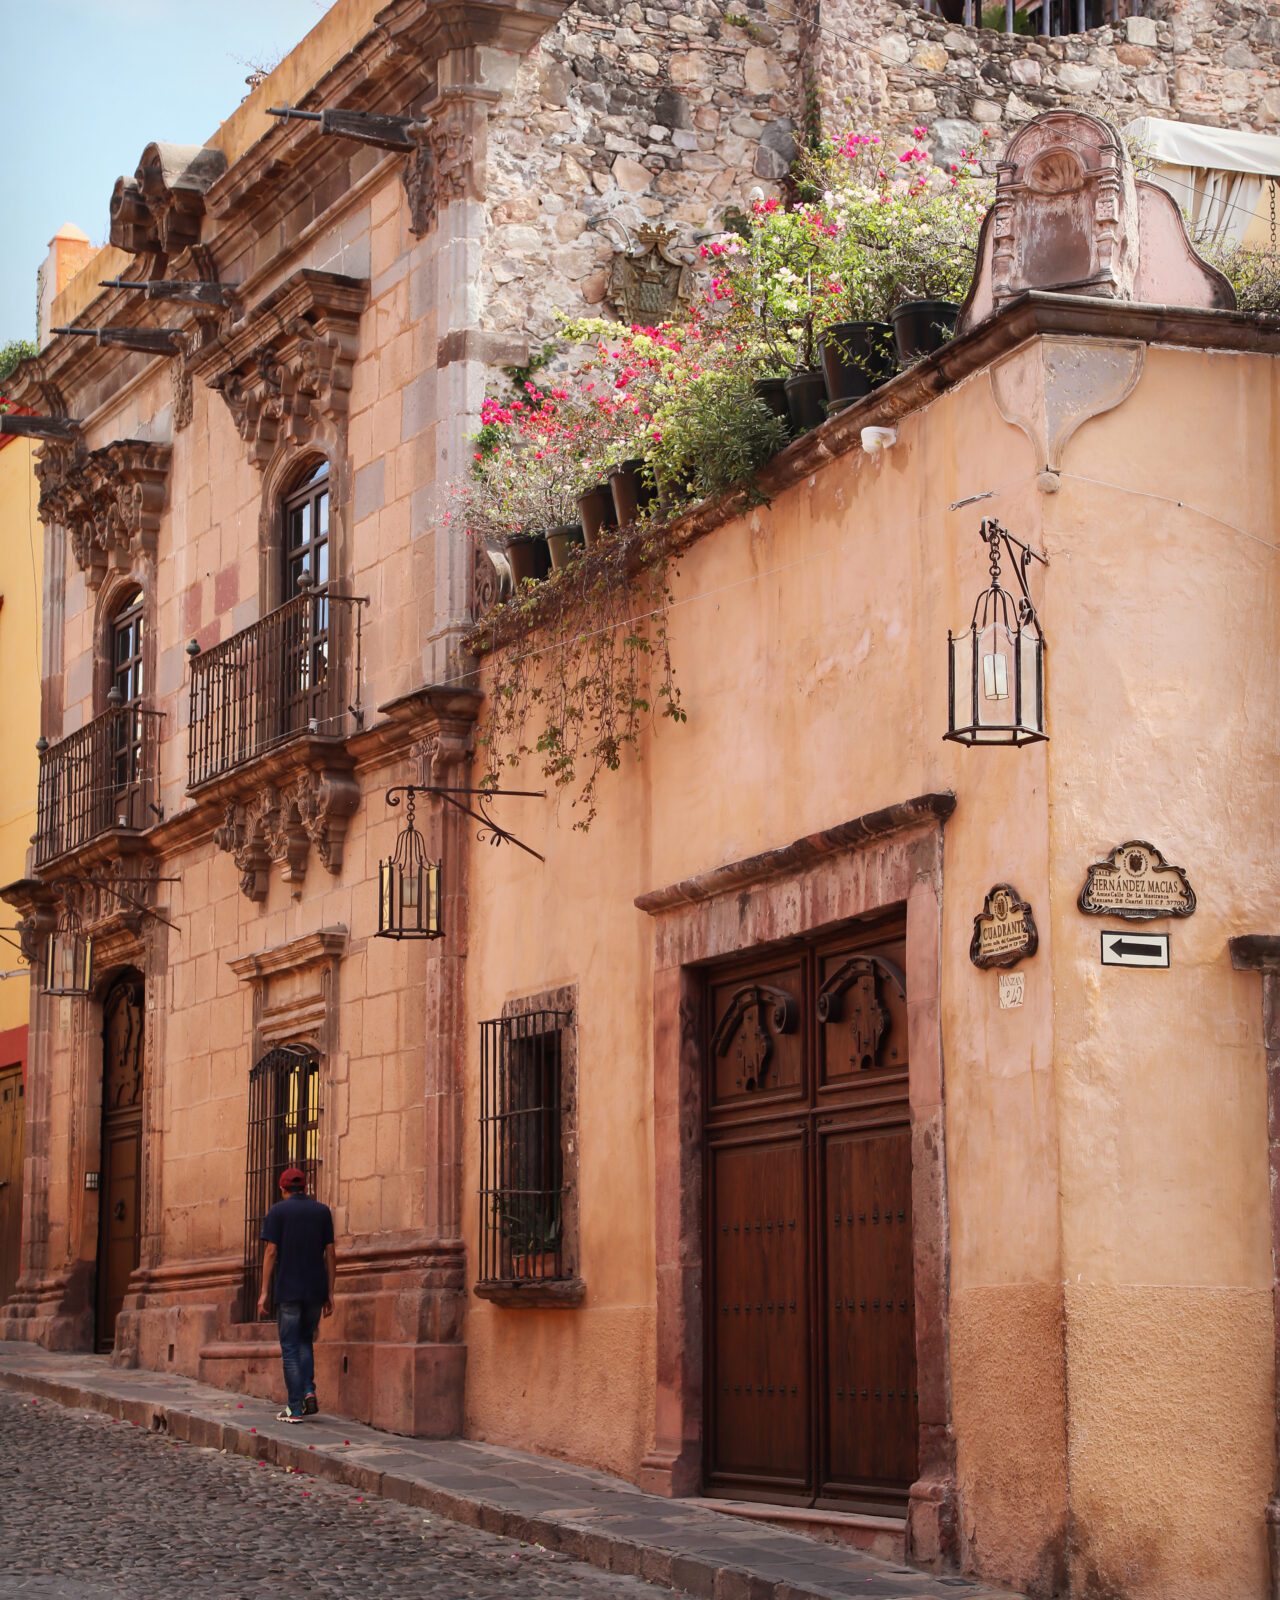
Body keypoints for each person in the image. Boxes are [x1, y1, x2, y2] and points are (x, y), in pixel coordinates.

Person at [258, 1165, 336, 1423]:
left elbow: (271, 1252)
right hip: (315, 1289)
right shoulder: (322, 1212)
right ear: (304, 1187)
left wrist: (264, 1292)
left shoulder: (277, 1212)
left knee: (290, 1347)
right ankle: (308, 1390)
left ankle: (294, 1408)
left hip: (289, 1290)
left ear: (283, 1189)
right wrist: (330, 1292)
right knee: (305, 1342)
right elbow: (331, 1254)